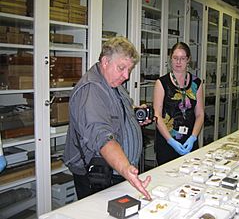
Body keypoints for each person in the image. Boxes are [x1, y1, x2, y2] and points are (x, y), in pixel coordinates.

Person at [63, 36, 151, 200]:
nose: (126, 76)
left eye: (129, 70)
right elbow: (101, 136)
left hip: (114, 171)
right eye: (121, 68)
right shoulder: (91, 90)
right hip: (98, 174)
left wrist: (134, 117)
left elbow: (115, 113)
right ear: (105, 62)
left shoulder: (113, 83)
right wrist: (125, 168)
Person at [153, 42, 204, 165]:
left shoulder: (196, 83)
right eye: (175, 58)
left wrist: (193, 137)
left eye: (182, 58)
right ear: (171, 59)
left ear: (188, 60)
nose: (178, 62)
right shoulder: (162, 83)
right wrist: (170, 141)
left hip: (189, 139)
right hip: (167, 141)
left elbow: (200, 114)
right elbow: (157, 116)